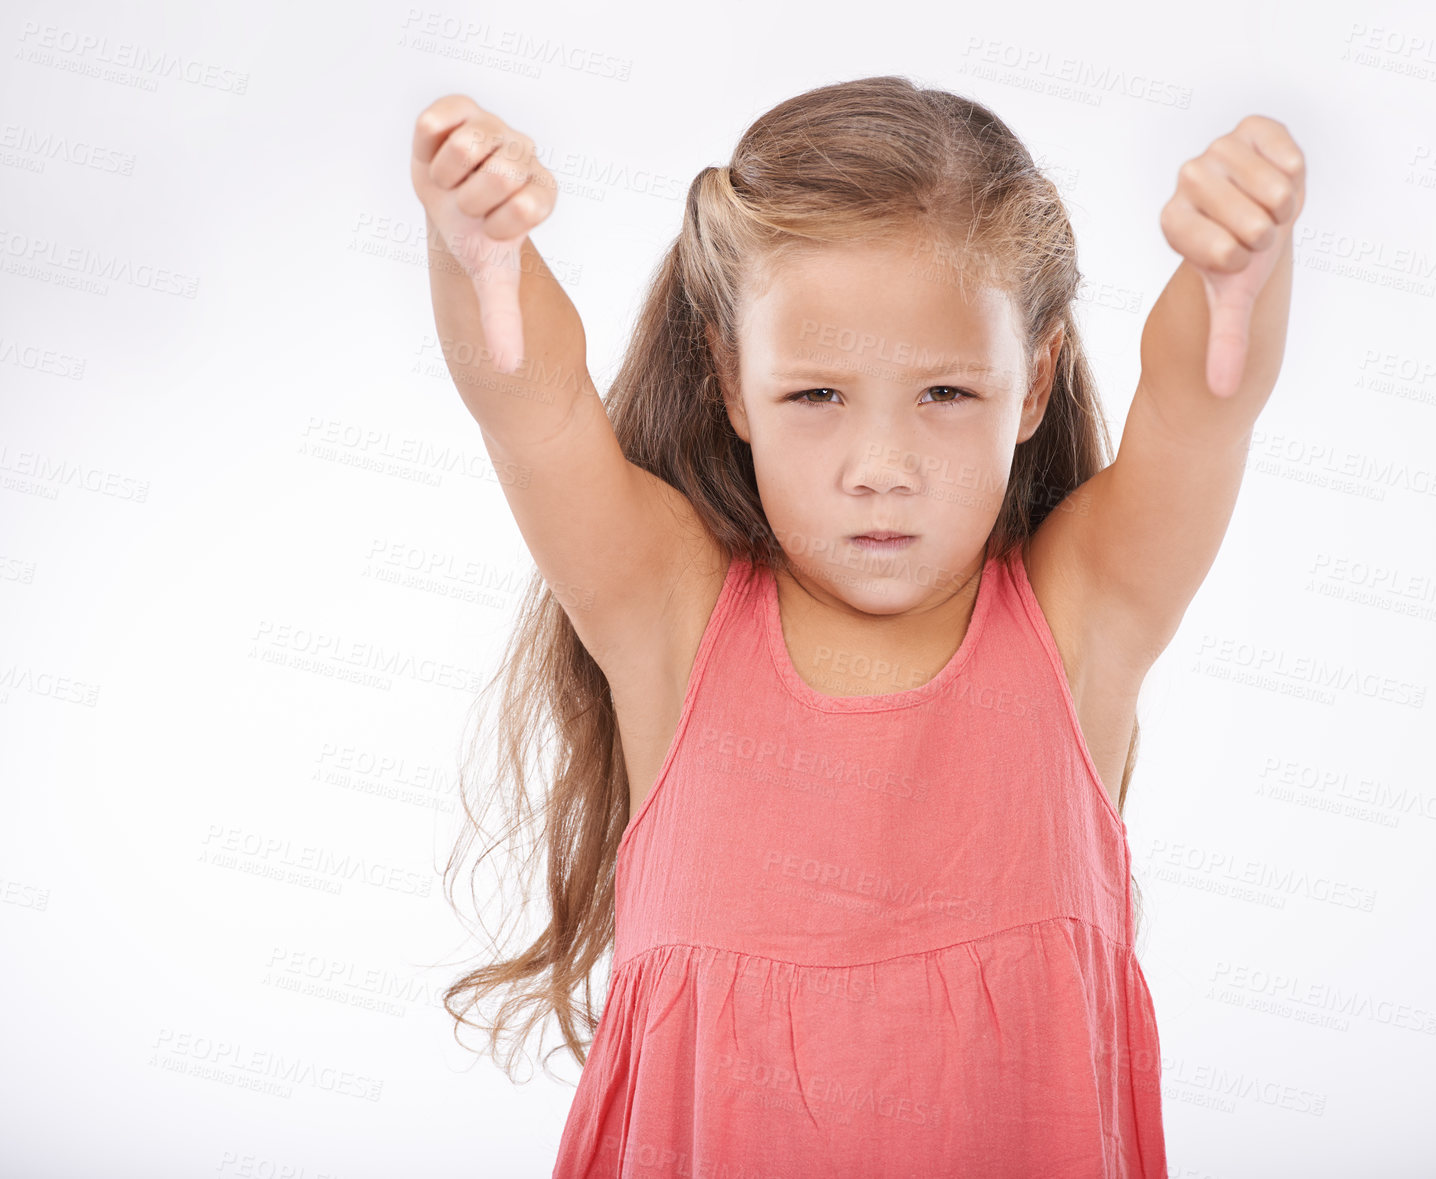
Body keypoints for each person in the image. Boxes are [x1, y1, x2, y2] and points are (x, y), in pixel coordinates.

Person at [409, 74, 1304, 1179]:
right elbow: (529, 405)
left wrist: (1236, 278)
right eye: (816, 397)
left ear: (1034, 388)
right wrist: (478, 256)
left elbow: (1199, 410)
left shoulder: (1085, 615)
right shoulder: (669, 616)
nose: (881, 471)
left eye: (946, 395)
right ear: (733, 383)